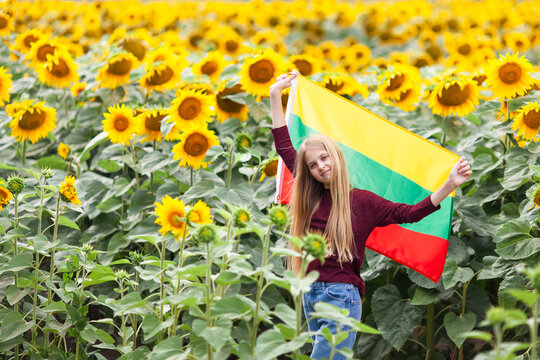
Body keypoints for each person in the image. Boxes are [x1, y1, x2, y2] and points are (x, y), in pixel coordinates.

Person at [269, 72, 472, 360]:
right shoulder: (310, 196)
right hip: (311, 292)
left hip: (341, 294)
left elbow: (410, 214)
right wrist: (275, 94)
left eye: (324, 158)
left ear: (336, 155)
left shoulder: (362, 202)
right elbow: (283, 145)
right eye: (314, 165)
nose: (320, 167)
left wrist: (449, 185)